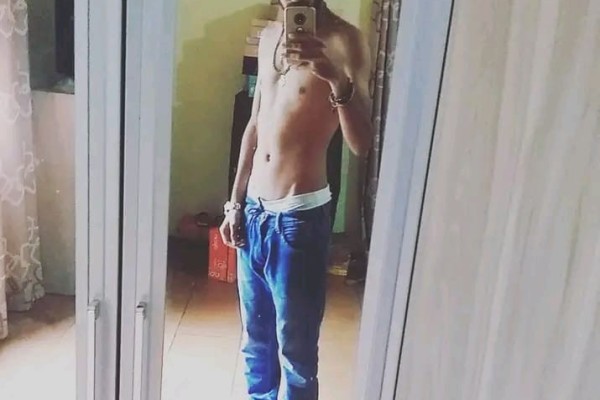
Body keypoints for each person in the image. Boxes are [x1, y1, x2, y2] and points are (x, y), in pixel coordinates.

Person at [219, 1, 372, 398]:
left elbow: (361, 144)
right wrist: (235, 202)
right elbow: (255, 124)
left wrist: (336, 79)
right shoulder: (270, 34)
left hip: (298, 218)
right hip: (254, 213)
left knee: (297, 356)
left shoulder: (345, 40)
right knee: (256, 345)